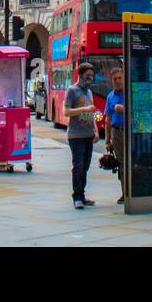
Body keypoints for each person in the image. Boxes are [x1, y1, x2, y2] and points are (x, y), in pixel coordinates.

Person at [65, 62, 99, 209]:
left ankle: (82, 195)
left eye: (92, 76)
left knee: (85, 167)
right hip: (75, 135)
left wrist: (96, 130)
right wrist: (84, 108)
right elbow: (66, 112)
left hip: (88, 134)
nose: (90, 79)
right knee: (78, 166)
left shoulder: (89, 92)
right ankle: (77, 197)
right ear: (80, 75)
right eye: (87, 76)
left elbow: (91, 114)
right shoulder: (72, 90)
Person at [104, 65, 127, 204]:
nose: (117, 81)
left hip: (129, 131)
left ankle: (133, 191)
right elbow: (107, 119)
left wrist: (123, 109)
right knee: (121, 163)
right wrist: (107, 140)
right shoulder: (110, 96)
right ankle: (125, 193)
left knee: (131, 162)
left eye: (119, 78)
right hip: (116, 131)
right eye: (114, 79)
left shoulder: (130, 92)